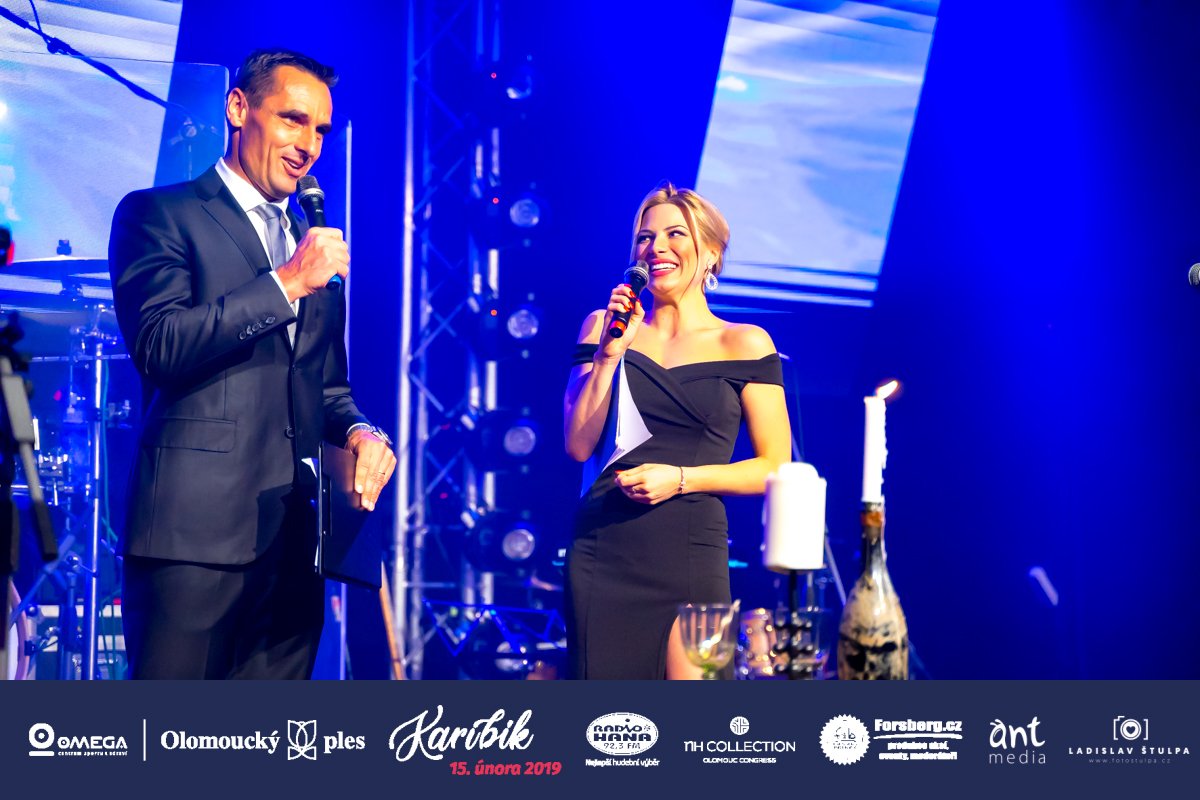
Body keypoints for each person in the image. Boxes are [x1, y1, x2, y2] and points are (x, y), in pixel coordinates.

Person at [109, 49, 395, 679]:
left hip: (294, 542)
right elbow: (159, 346)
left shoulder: (309, 245)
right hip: (192, 536)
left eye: (321, 130)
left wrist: (360, 432)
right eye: (293, 120)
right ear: (239, 108)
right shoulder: (160, 213)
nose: (309, 145)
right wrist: (287, 283)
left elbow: (328, 387)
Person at [563, 182, 791, 679]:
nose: (656, 248)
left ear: (711, 253)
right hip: (604, 548)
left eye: (675, 234)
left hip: (691, 549)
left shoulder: (745, 343)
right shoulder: (603, 327)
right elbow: (578, 444)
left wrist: (683, 478)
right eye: (645, 238)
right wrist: (608, 356)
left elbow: (775, 466)